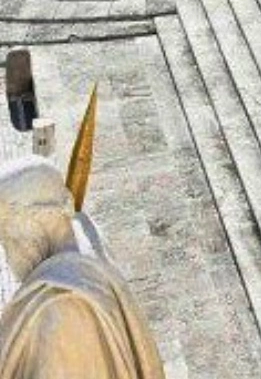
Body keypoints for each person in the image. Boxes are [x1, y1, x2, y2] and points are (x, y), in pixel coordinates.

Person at [0, 156, 167, 377]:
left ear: (34, 219)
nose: (6, 249)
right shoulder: (84, 238)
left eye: (6, 233)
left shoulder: (60, 305)